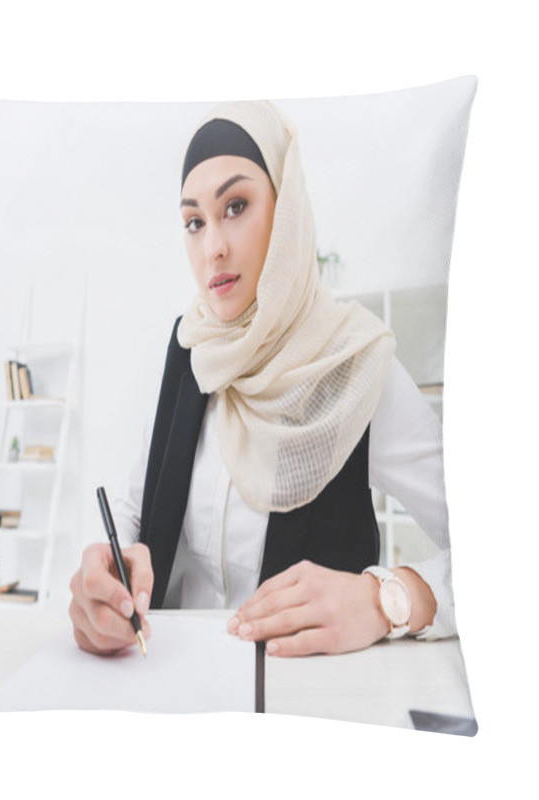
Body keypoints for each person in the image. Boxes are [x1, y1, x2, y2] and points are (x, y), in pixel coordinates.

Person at [68, 100, 455, 658]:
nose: (213, 248)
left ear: (288, 208)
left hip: (306, 707)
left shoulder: (353, 365)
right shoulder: (192, 349)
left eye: (237, 205)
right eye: (195, 221)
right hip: (169, 685)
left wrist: (385, 599)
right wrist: (105, 574)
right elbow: (138, 503)